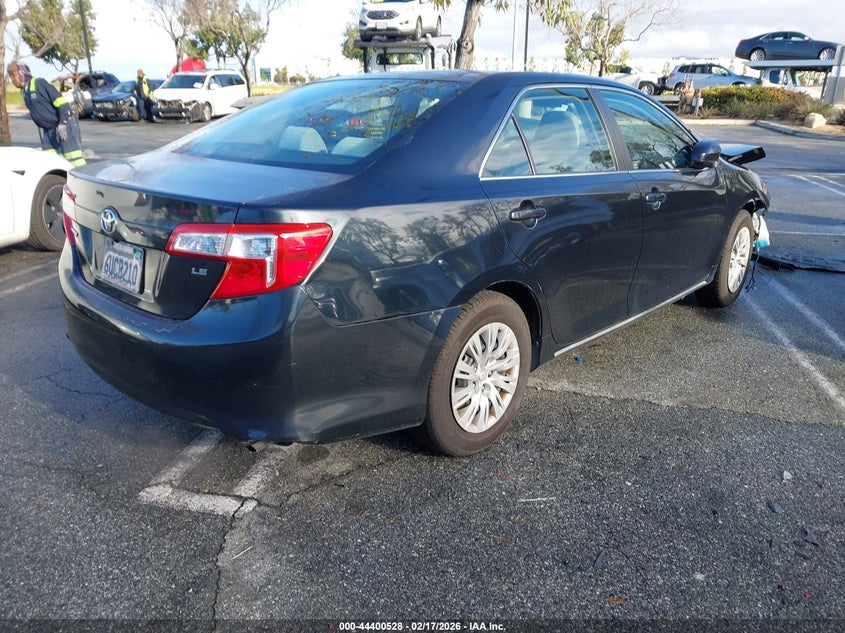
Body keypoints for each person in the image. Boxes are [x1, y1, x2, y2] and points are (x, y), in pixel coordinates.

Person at [6, 61, 86, 167]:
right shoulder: (26, 91)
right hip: (48, 132)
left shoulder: (39, 83)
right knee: (50, 164)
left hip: (63, 127)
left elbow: (62, 103)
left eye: (14, 75)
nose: (12, 79)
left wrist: (63, 123)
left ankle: (85, 182)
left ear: (22, 73)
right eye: (11, 76)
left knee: (74, 161)